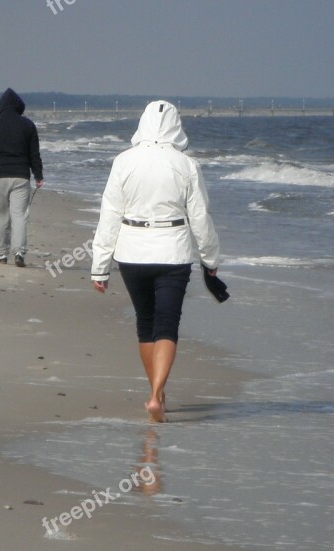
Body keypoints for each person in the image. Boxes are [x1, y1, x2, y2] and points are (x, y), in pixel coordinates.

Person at [91, 101, 220, 423]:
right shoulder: (186, 164)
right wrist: (210, 258)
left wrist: (99, 265)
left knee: (145, 324)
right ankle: (155, 395)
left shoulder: (123, 161)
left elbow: (110, 215)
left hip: (132, 252)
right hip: (173, 252)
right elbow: (200, 216)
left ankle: (157, 395)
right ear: (177, 126)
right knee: (167, 324)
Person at [0, 88, 43, 267]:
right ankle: (19, 253)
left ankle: (1, 254)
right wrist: (38, 175)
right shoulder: (28, 125)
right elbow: (34, 154)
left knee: (0, 216)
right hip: (21, 177)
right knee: (20, 216)